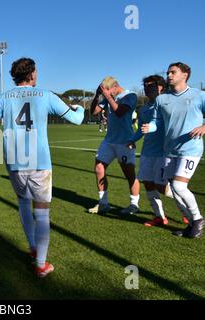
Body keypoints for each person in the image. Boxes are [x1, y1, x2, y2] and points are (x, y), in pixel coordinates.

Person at [0, 57, 84, 278]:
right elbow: (78, 119)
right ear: (32, 74)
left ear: (15, 76)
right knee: (42, 213)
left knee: (23, 202)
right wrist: (79, 107)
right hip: (39, 161)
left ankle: (33, 246)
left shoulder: (4, 98)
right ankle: (40, 264)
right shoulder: (46, 95)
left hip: (14, 162)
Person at [142, 62, 205, 238]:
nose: (169, 75)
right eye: (168, 72)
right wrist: (150, 127)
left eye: (173, 72)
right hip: (169, 150)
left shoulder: (199, 95)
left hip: (191, 148)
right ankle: (192, 225)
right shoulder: (162, 99)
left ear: (184, 75)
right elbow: (157, 121)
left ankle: (198, 219)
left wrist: (204, 127)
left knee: (179, 185)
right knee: (174, 188)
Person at [127, 75, 174, 227]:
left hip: (163, 152)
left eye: (152, 85)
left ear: (161, 87)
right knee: (148, 183)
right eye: (146, 86)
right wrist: (132, 140)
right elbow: (141, 129)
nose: (148, 88)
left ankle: (186, 208)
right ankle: (159, 216)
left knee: (161, 186)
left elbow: (158, 123)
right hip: (147, 151)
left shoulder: (168, 103)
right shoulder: (144, 109)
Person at [88, 76, 140, 215]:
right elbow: (93, 112)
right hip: (109, 141)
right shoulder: (107, 96)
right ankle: (103, 203)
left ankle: (134, 204)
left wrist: (108, 97)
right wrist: (97, 96)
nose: (108, 94)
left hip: (125, 142)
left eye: (109, 91)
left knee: (129, 174)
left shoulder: (131, 96)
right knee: (99, 168)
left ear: (115, 86)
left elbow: (120, 112)